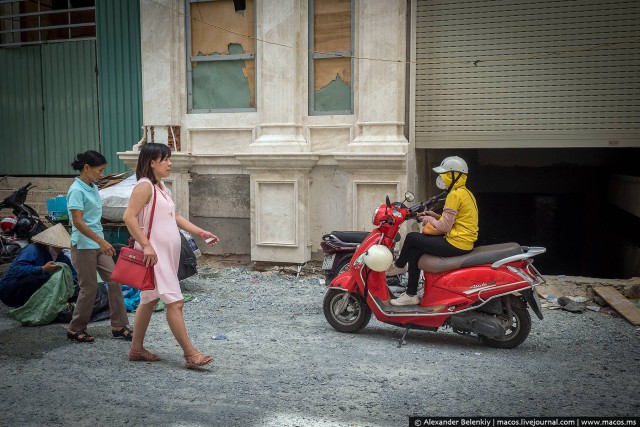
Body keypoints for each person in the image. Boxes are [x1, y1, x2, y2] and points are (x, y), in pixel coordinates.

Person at [122, 143, 220, 369]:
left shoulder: (160, 186)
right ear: (151, 163)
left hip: (163, 254)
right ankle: (190, 354)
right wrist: (146, 245)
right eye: (165, 159)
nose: (170, 163)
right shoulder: (144, 186)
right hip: (154, 255)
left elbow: (173, 216)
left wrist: (200, 232)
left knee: (148, 300)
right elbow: (129, 217)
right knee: (175, 302)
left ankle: (136, 349)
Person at [389, 156, 479, 306]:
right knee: (415, 251)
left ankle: (398, 267)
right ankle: (411, 294)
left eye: (444, 175)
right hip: (463, 242)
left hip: (456, 243)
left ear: (453, 175)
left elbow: (444, 227)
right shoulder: (465, 192)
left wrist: (428, 220)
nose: (441, 179)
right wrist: (434, 215)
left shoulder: (454, 195)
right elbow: (453, 219)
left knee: (412, 238)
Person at [66, 150, 132, 343]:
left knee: (114, 280)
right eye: (100, 170)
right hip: (84, 245)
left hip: (97, 243)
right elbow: (77, 222)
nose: (101, 174)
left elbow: (93, 218)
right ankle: (75, 328)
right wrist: (101, 241)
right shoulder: (76, 190)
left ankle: (119, 326)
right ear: (86, 168)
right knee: (89, 287)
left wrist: (101, 241)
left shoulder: (92, 187)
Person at [0, 224, 76, 308]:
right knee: (32, 280)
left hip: (40, 290)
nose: (61, 249)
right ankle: (24, 309)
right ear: (50, 243)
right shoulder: (32, 249)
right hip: (9, 290)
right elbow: (17, 270)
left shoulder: (62, 257)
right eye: (59, 246)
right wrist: (42, 269)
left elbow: (72, 274)